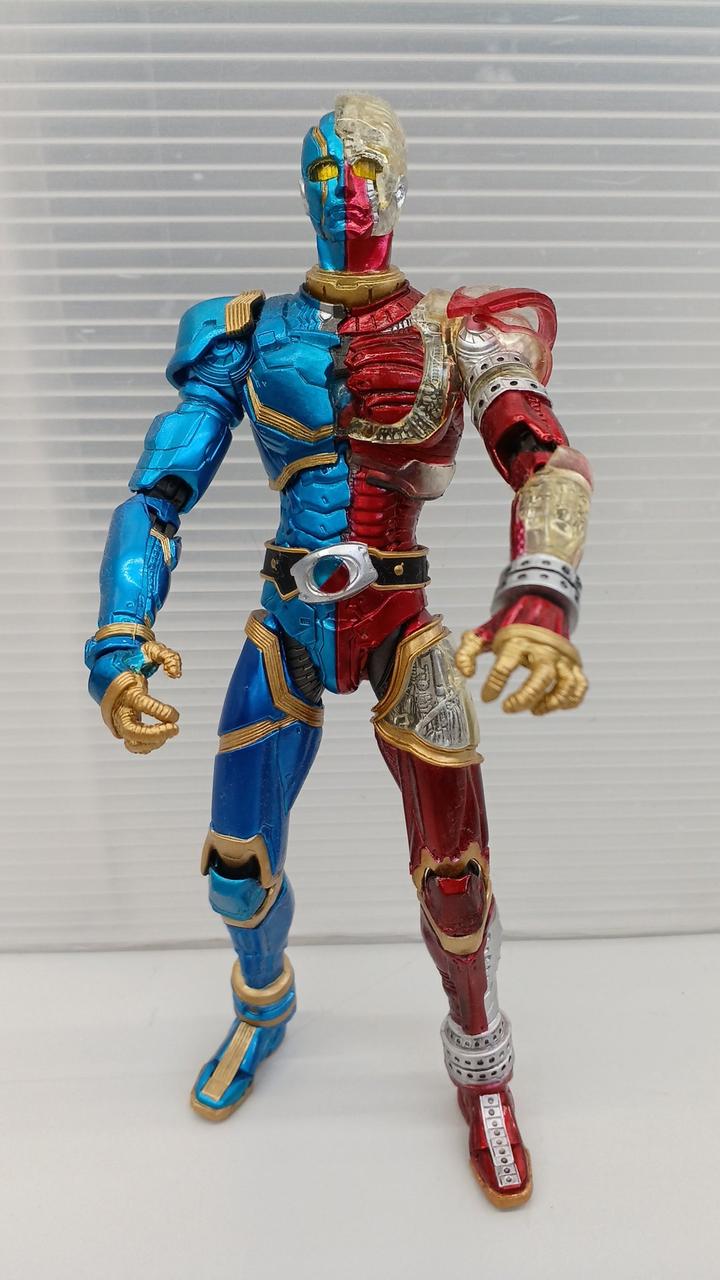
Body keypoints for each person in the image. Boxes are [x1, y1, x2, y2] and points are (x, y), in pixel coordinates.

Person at [85, 93, 592, 1209]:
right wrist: (120, 631)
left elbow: (546, 463)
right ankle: (262, 1006)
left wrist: (540, 597)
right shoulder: (246, 330)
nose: (343, 187)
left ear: (398, 185)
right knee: (236, 865)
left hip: (406, 623)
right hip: (287, 623)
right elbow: (157, 490)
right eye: (321, 167)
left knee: (455, 878)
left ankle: (483, 1065)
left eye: (364, 166)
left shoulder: (465, 331)